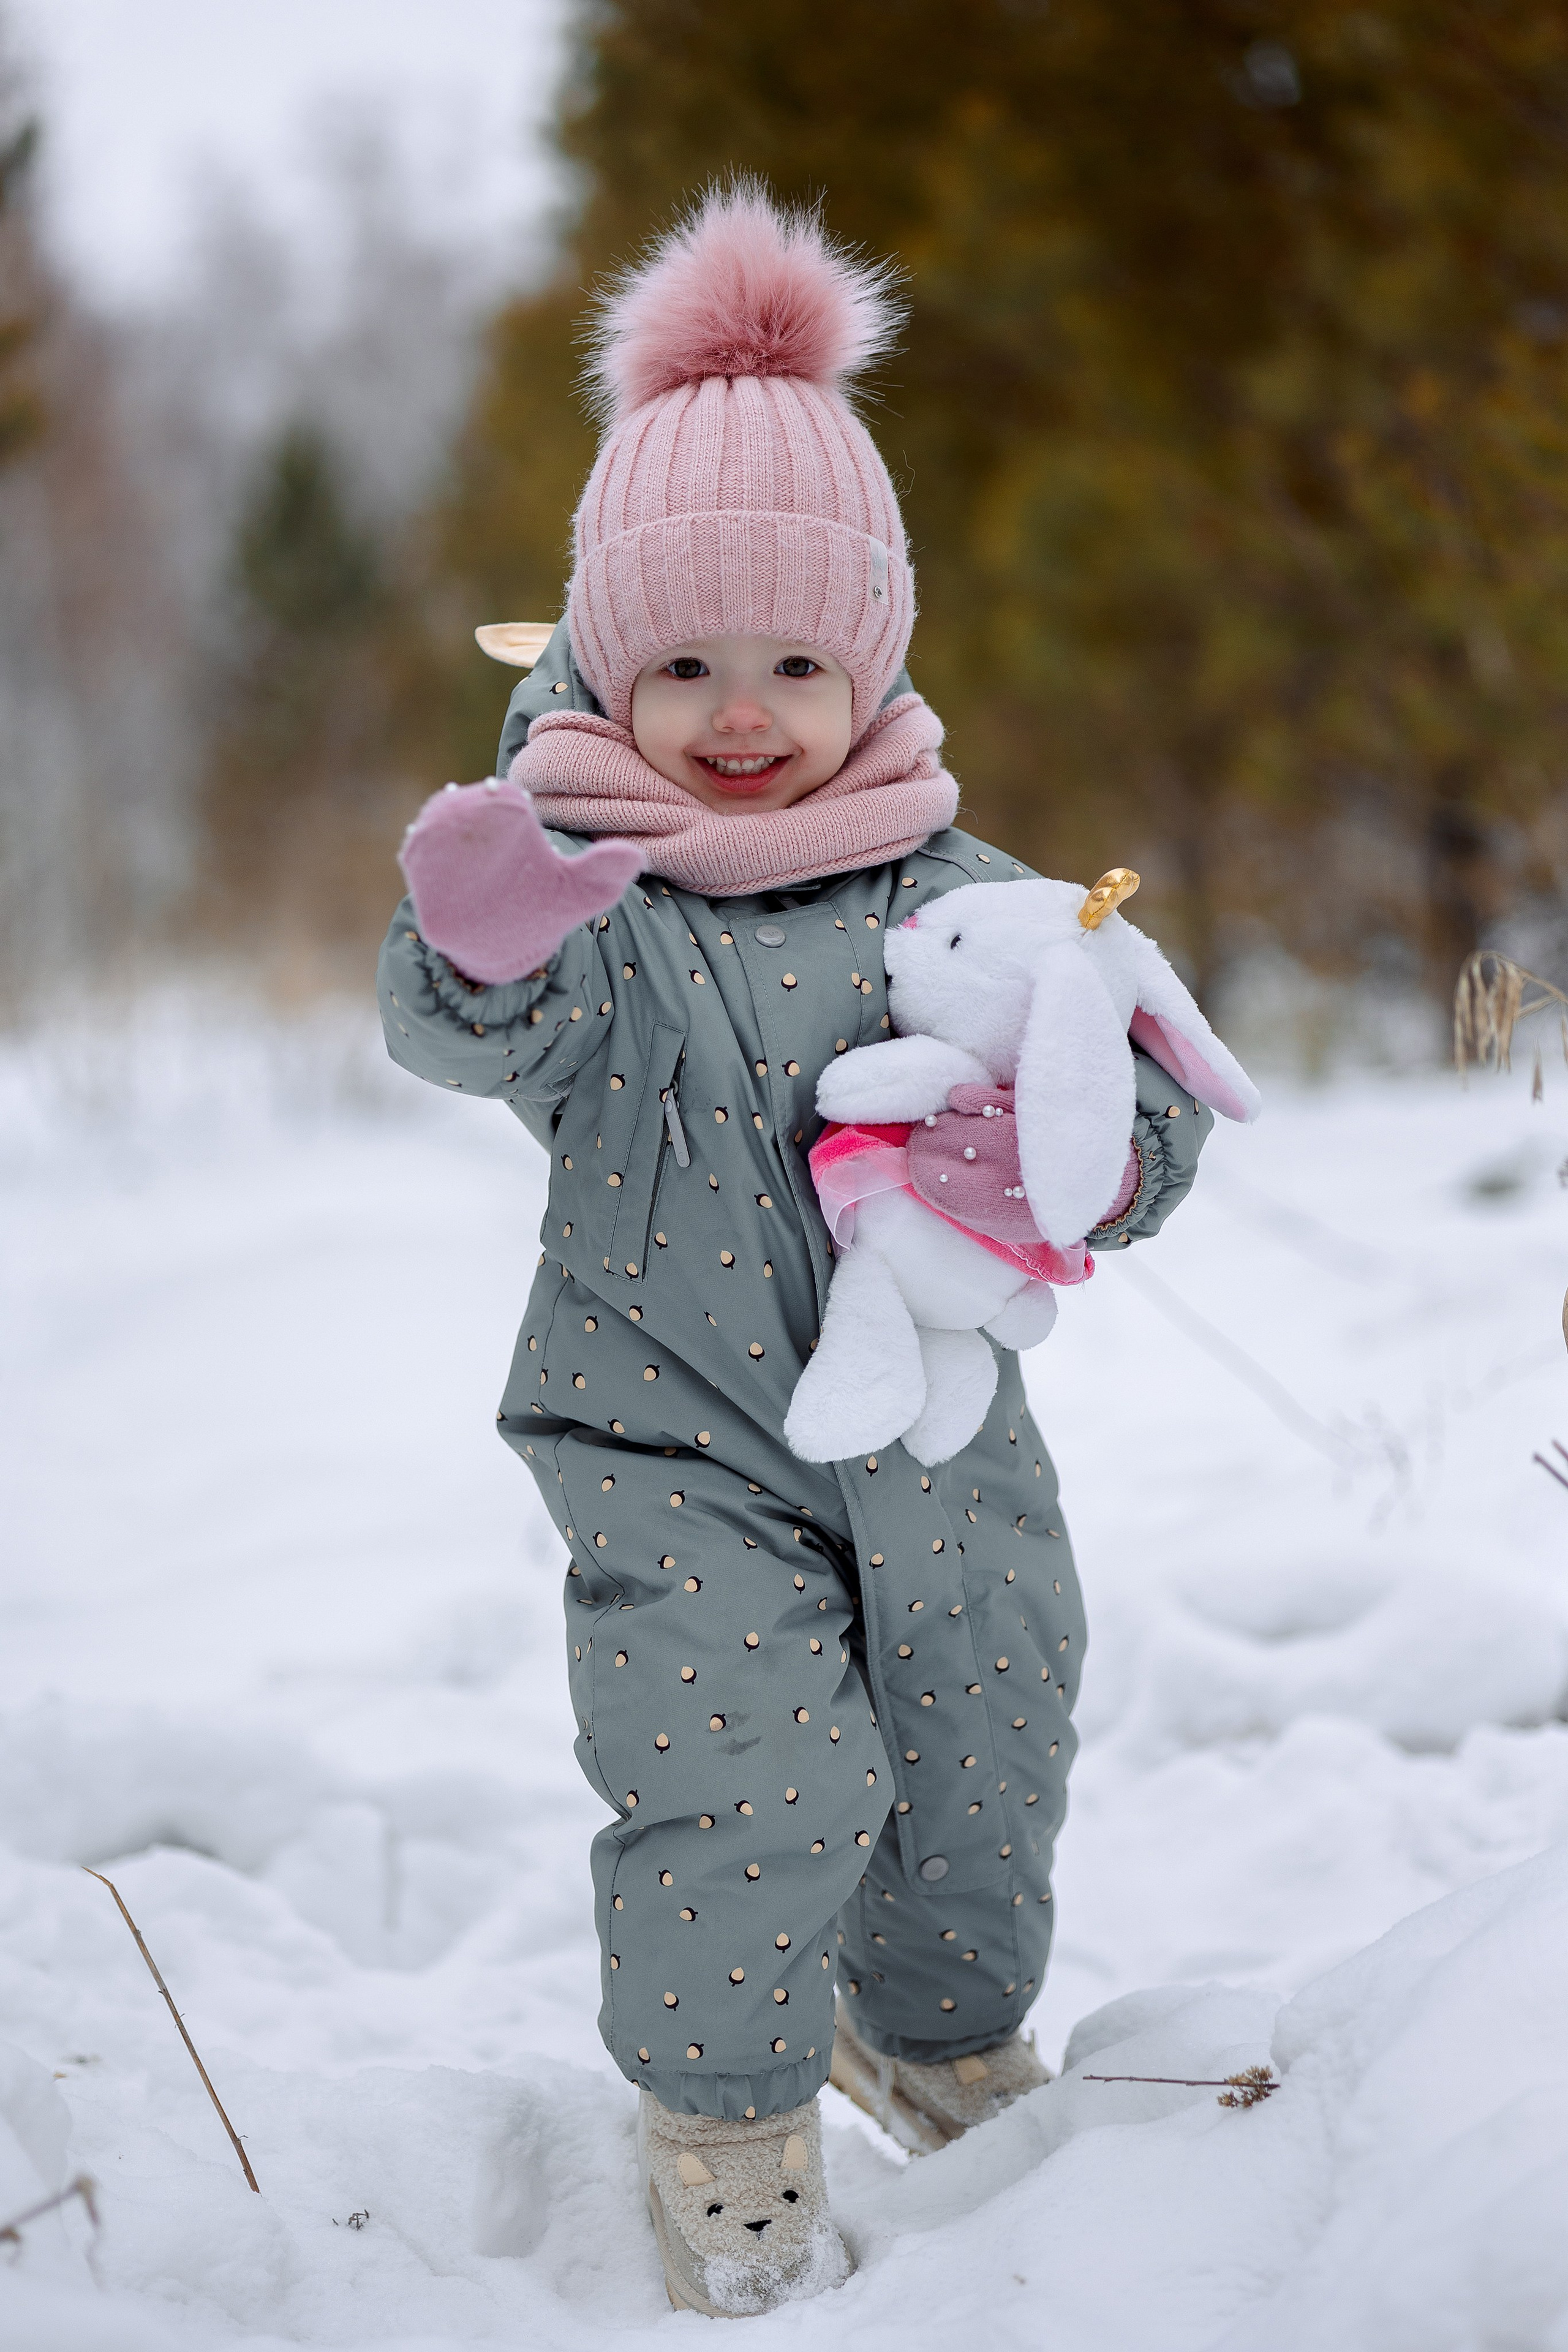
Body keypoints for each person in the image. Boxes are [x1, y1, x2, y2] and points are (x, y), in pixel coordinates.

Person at [377, 184, 1212, 2318]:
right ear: (595, 657)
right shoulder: (590, 890)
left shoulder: (961, 883)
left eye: (796, 664)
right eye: (681, 664)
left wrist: (1085, 1162)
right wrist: (472, 941)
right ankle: (731, 2122)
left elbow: (1133, 1089)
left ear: (879, 656)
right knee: (743, 1772)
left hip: (939, 1432)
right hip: (666, 1431)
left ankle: (931, 2031)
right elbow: (464, 1025)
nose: (741, 715)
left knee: (984, 1745)